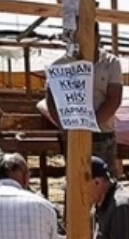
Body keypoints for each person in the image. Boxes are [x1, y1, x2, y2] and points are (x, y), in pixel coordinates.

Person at [37, 42, 123, 172]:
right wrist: (64, 126)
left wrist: (89, 124)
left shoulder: (110, 63)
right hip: (72, 133)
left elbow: (114, 99)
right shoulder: (59, 65)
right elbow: (51, 100)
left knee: (104, 182)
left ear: (97, 36)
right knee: (75, 179)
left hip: (101, 134)